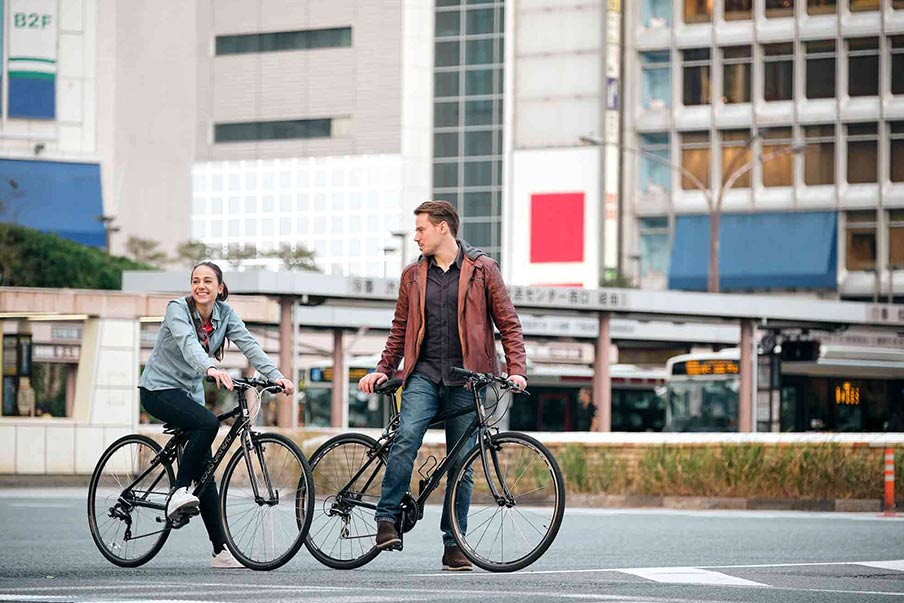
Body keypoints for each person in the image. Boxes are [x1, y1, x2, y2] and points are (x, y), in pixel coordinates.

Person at [359, 201, 527, 571]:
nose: (416, 236)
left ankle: (455, 545)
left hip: (469, 380)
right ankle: (386, 520)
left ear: (443, 229)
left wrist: (517, 369)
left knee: (463, 465)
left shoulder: (483, 269)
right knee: (406, 438)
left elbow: (508, 323)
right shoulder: (412, 276)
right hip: (424, 375)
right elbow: (400, 329)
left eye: (420, 229)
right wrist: (383, 368)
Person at [138, 261, 295, 569]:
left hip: (188, 395)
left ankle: (220, 551)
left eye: (208, 281)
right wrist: (210, 367)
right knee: (208, 423)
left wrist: (277, 375)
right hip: (158, 390)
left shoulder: (226, 315)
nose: (201, 286)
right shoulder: (177, 309)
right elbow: (187, 345)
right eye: (196, 280)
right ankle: (177, 492)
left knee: (206, 472)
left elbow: (249, 345)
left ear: (220, 288)